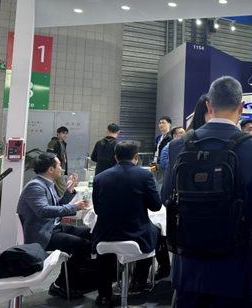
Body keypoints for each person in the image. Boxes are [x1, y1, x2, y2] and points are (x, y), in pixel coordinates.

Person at [162, 76, 252, 308]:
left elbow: (166, 198)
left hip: (189, 267)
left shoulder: (178, 145)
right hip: (236, 270)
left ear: (209, 105)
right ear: (241, 108)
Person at [92, 141, 162, 307]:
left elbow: (97, 209)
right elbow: (156, 206)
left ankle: (104, 295)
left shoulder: (99, 177)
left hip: (105, 235)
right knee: (156, 231)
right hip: (137, 235)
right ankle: (139, 280)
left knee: (104, 255)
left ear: (116, 158)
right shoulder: (145, 176)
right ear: (136, 156)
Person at [16, 152, 90, 300]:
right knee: (84, 246)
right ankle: (60, 285)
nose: (61, 169)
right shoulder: (35, 186)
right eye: (59, 165)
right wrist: (74, 207)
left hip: (52, 227)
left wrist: (69, 191)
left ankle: (75, 277)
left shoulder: (45, 184)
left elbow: (57, 205)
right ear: (50, 169)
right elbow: (43, 211)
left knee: (91, 233)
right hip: (42, 234)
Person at [47, 126, 69, 195]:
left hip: (62, 166)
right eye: (63, 133)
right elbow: (49, 155)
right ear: (58, 134)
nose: (65, 135)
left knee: (57, 186)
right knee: (62, 186)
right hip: (56, 167)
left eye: (66, 133)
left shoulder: (63, 143)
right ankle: (65, 199)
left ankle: (58, 199)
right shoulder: (53, 142)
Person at [153, 116, 172, 190]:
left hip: (161, 164)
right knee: (155, 181)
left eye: (163, 123)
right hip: (154, 163)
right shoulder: (160, 137)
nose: (161, 125)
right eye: (160, 123)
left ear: (169, 124)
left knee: (160, 184)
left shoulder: (169, 138)